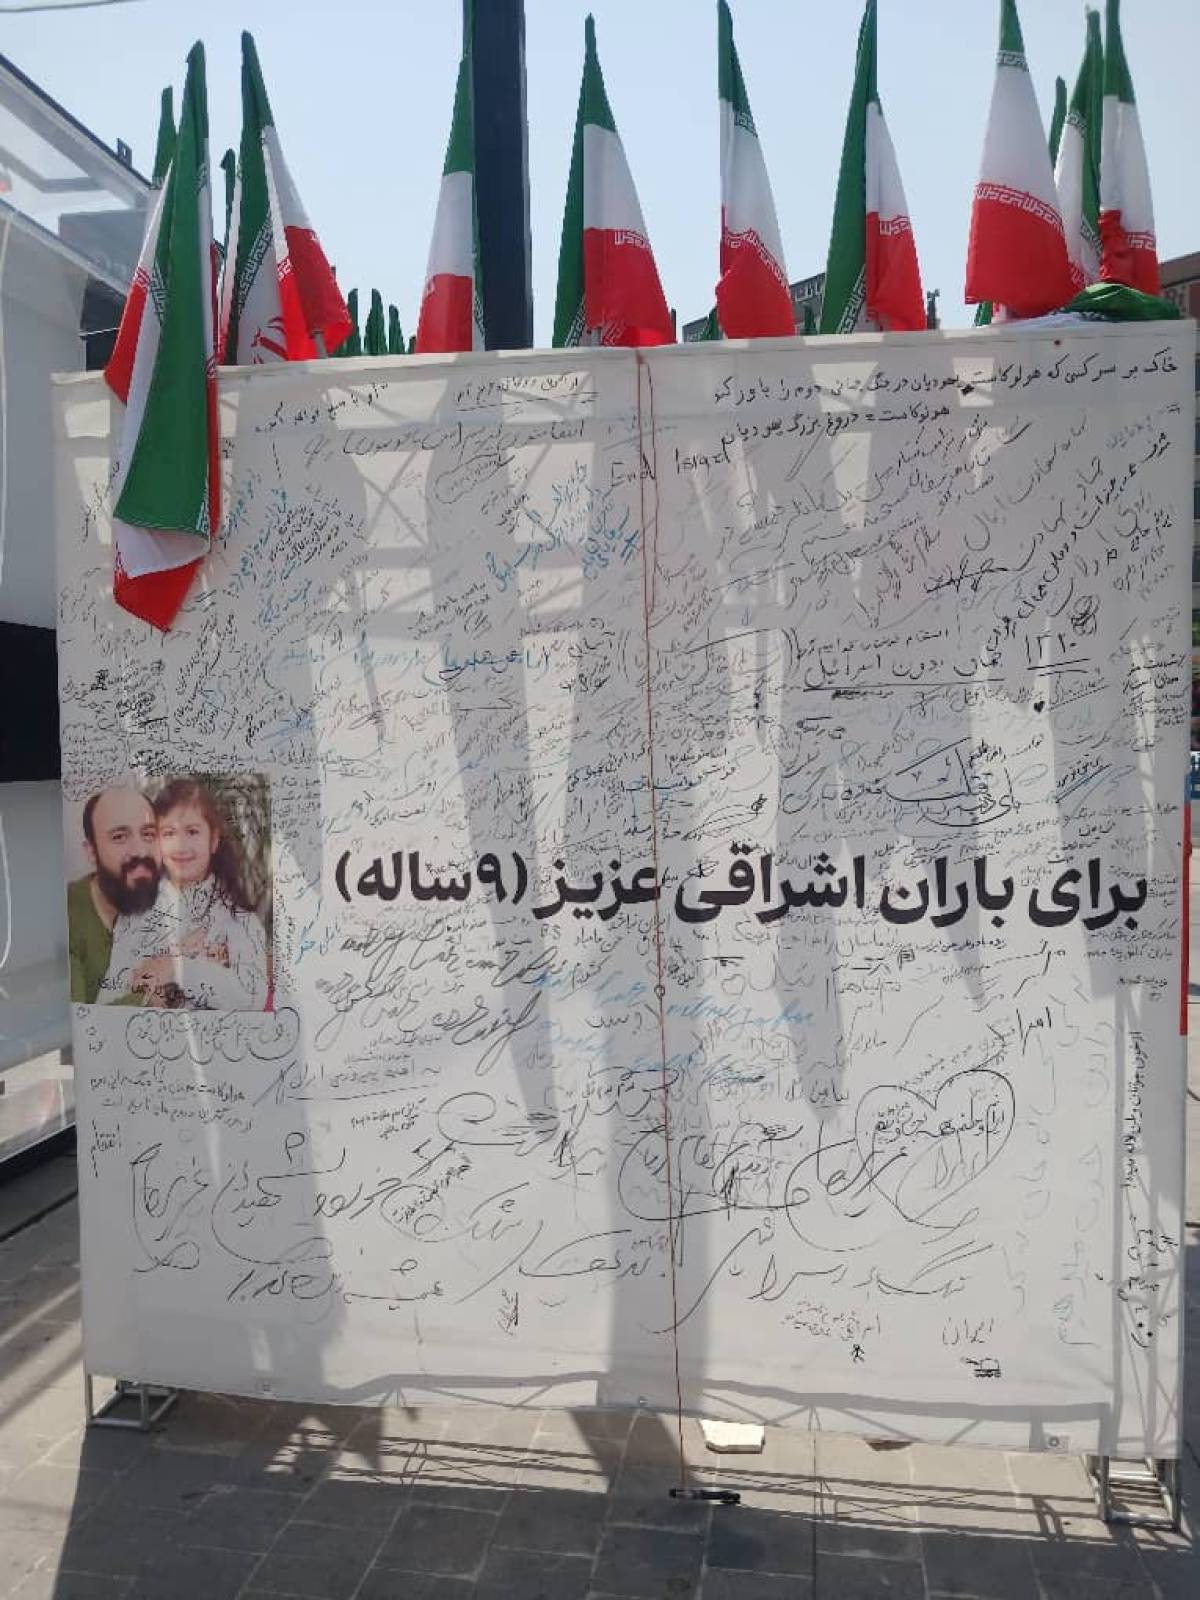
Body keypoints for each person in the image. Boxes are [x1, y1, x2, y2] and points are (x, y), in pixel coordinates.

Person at [98, 778, 269, 1010]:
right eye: (168, 833)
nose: (180, 845)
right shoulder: (135, 915)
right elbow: (107, 1001)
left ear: (213, 840)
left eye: (192, 831)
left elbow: (253, 999)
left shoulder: (240, 920)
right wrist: (149, 991)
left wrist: (177, 968)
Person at [67, 786, 160, 1004]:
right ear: (92, 852)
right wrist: (155, 997)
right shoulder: (68, 916)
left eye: (148, 834)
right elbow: (78, 1020)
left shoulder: (170, 899)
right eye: (119, 837)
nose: (140, 851)